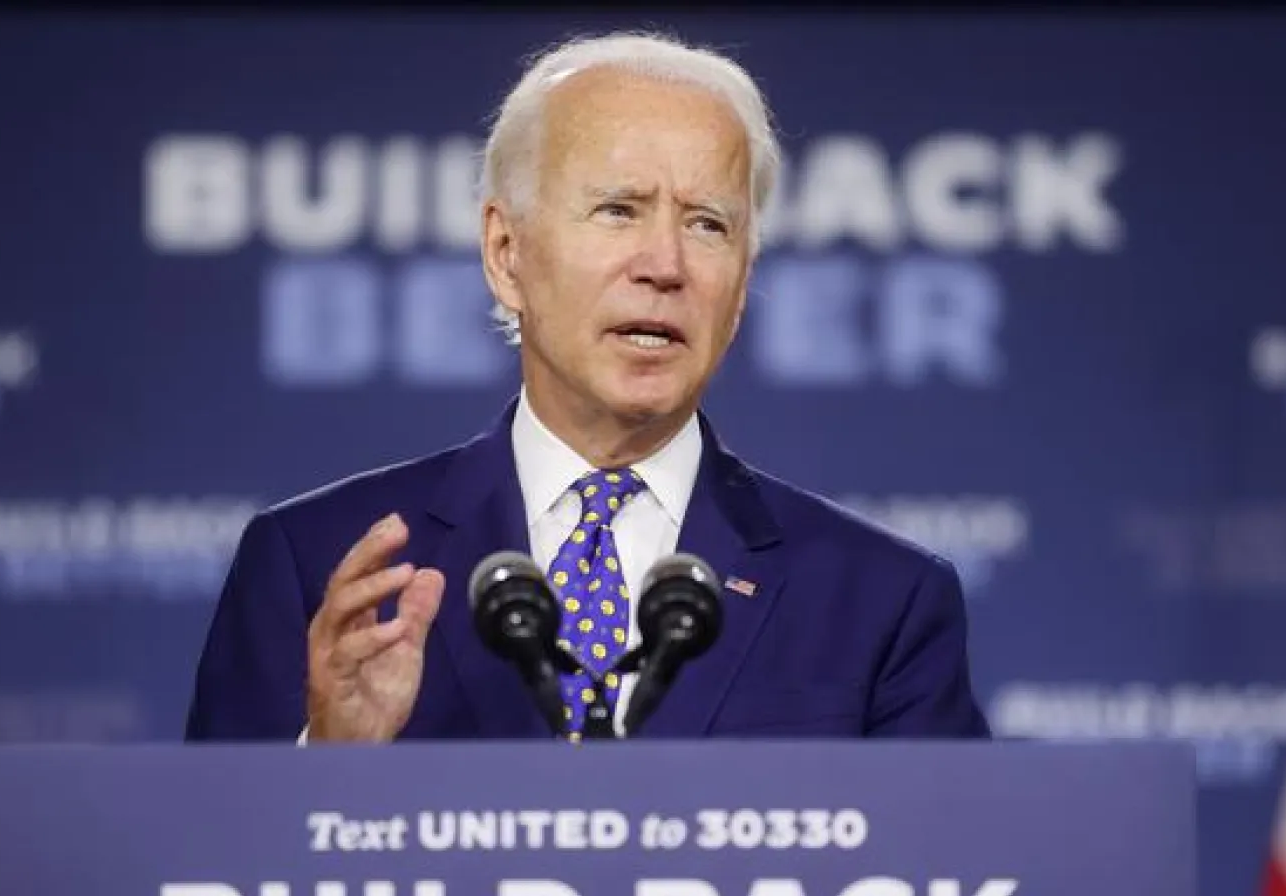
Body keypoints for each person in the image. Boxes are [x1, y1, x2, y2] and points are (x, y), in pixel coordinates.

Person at [183, 31, 991, 744]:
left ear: (741, 286)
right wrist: (326, 771)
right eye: (618, 210)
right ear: (506, 253)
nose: (665, 265)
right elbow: (204, 886)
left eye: (708, 224)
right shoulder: (316, 567)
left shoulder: (881, 599)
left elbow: (942, 885)